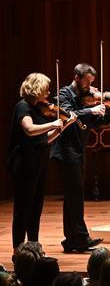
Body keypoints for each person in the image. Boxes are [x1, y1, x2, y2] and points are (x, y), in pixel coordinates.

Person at [50, 63, 110, 252]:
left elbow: (97, 122)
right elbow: (66, 116)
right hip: (65, 151)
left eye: (92, 83)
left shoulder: (84, 98)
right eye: (87, 83)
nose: (90, 88)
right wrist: (90, 111)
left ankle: (71, 239)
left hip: (78, 150)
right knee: (76, 196)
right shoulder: (64, 94)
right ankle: (81, 238)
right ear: (77, 78)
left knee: (73, 196)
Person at [8, 73, 76, 249]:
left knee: (36, 208)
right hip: (24, 164)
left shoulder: (38, 108)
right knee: (23, 208)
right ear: (36, 88)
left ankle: (33, 245)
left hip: (38, 162)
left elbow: (45, 139)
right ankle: (18, 248)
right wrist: (53, 123)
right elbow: (30, 130)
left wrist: (65, 124)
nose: (48, 94)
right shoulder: (23, 107)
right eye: (45, 90)